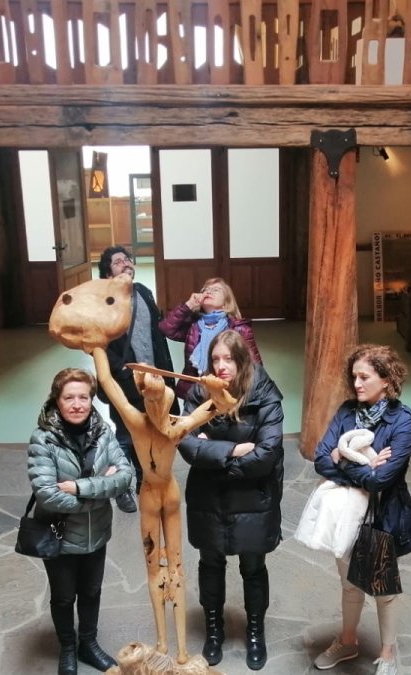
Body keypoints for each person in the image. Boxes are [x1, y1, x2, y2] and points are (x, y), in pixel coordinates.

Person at [311, 344, 411, 675]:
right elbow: (320, 458)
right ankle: (347, 641)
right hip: (344, 512)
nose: (356, 383)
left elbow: (382, 480)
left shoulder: (403, 420)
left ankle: (388, 652)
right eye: (354, 376)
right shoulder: (346, 411)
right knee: (349, 584)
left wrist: (342, 458)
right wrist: (364, 466)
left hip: (380, 515)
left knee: (383, 588)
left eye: (364, 377)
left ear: (385, 379)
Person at [177, 329, 284, 670]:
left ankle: (255, 632)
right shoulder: (198, 392)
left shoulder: (264, 394)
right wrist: (235, 451)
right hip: (210, 500)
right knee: (211, 564)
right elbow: (186, 443)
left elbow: (268, 453)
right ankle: (213, 629)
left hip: (253, 499)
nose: (221, 366)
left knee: (253, 568)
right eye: (215, 359)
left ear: (242, 361)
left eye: (228, 359)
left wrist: (215, 457)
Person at [27, 368, 134, 674]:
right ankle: (68, 648)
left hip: (96, 534)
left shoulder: (104, 432)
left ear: (91, 400)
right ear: (56, 401)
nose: (77, 404)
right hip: (58, 536)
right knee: (63, 597)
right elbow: (48, 496)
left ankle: (88, 643)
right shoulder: (43, 439)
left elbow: (126, 475)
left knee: (91, 591)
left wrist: (80, 487)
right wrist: (103, 488)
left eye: (83, 397)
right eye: (69, 397)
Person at [96, 246, 174, 513]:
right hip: (122, 379)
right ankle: (121, 487)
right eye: (118, 262)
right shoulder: (102, 299)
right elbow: (100, 344)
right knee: (126, 436)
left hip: (153, 377)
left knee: (152, 431)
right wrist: (124, 371)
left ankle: (144, 480)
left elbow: (157, 335)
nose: (125, 263)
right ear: (108, 271)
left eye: (127, 259)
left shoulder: (143, 291)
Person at [159, 277, 263, 399]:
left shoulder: (240, 329)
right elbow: (166, 328)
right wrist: (189, 305)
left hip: (229, 392)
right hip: (195, 392)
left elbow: (255, 366)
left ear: (226, 303)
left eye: (216, 290)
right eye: (205, 289)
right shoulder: (193, 326)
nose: (208, 292)